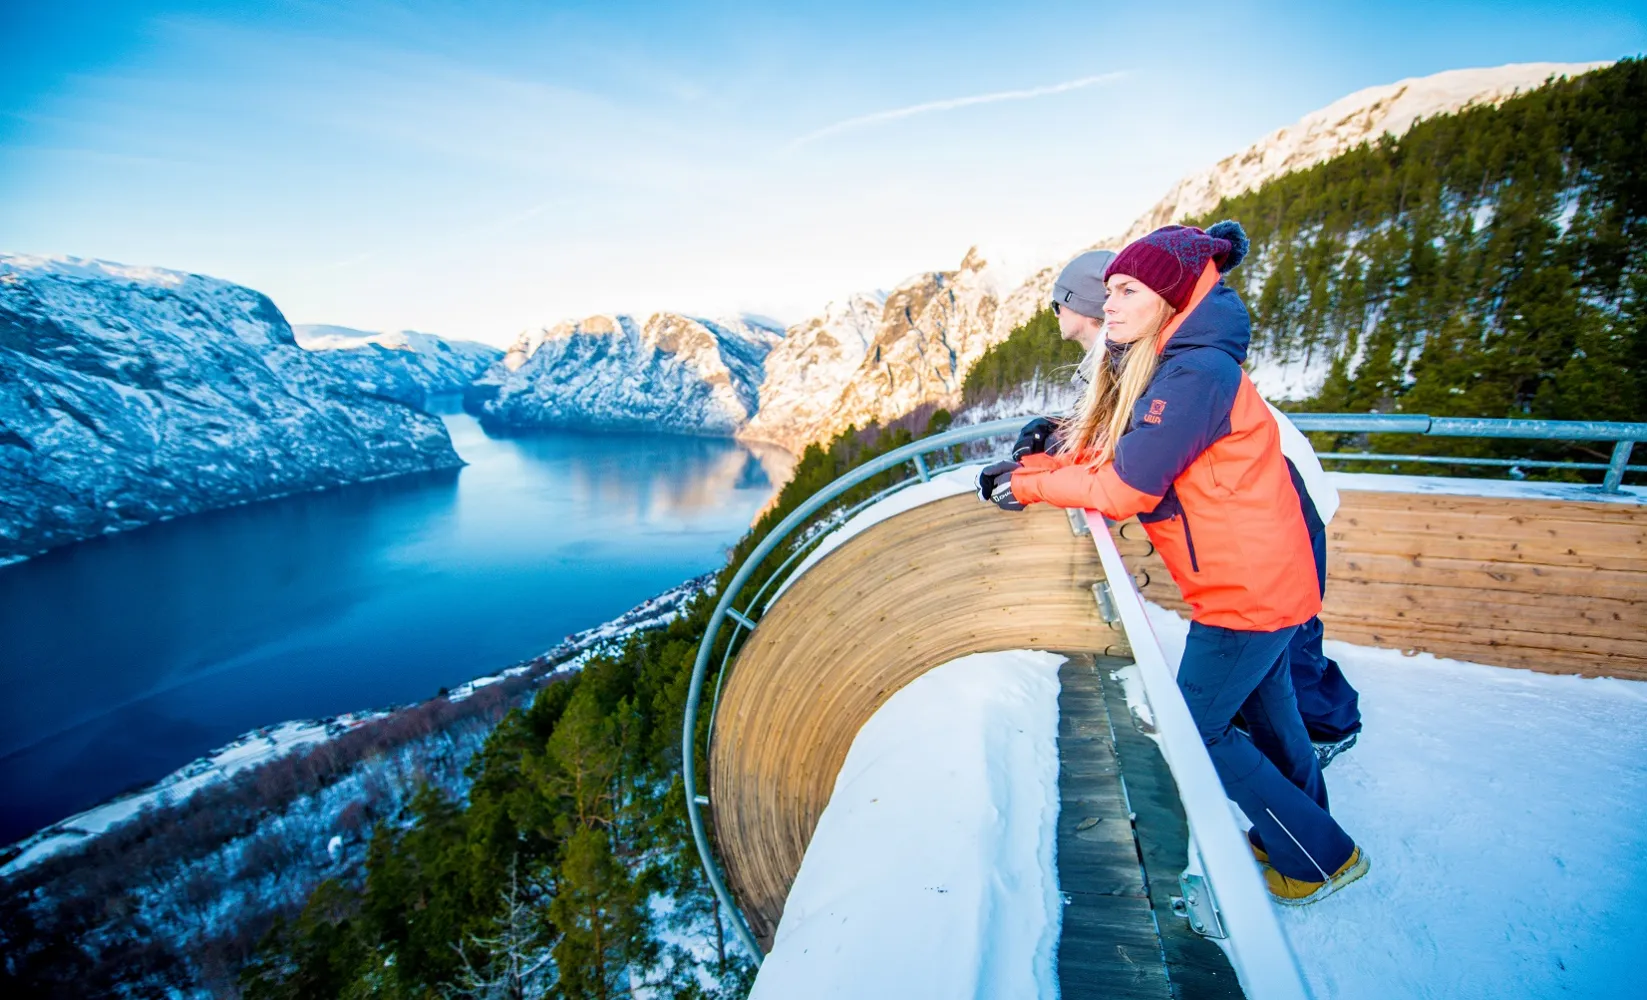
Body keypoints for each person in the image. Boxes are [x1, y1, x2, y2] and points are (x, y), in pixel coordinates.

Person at [978, 222, 1368, 905]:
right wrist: (1039, 461)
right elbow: (1121, 452)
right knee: (1271, 719)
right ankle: (1303, 831)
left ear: (1168, 293)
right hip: (1261, 576)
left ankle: (1316, 855)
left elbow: (1128, 488)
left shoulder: (1193, 371)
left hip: (1243, 589)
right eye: (1108, 293)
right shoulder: (1179, 359)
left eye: (1127, 290)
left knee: (1194, 729)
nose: (1112, 307)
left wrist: (1027, 485)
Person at [1015, 250, 1362, 767]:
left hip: (1286, 494)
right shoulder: (1126, 350)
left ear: (1077, 304)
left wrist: (1038, 479)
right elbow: (1125, 430)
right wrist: (1055, 435)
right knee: (1270, 652)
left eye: (1057, 304)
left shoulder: (1153, 355)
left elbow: (1139, 451)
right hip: (1261, 495)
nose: (1059, 315)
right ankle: (1276, 741)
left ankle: (1332, 727)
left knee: (1293, 633)